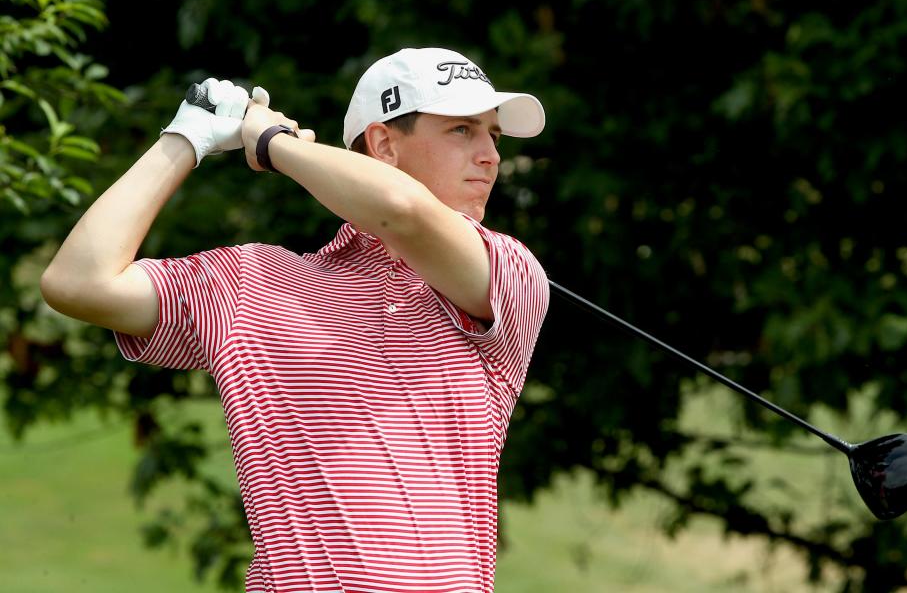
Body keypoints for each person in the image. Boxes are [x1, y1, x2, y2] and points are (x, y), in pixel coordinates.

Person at [40, 47, 550, 593]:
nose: (491, 156)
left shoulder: (510, 276)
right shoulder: (253, 281)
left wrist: (270, 143)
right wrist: (185, 138)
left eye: (493, 136)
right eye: (463, 131)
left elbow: (404, 212)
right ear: (383, 146)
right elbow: (78, 282)